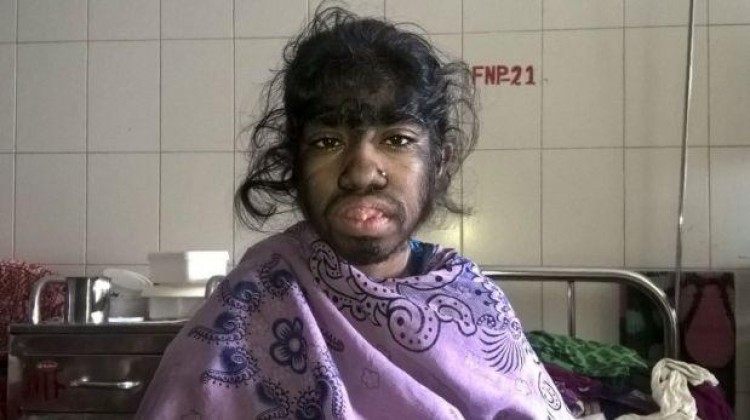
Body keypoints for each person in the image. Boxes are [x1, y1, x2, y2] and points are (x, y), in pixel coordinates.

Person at [137, 6, 572, 420]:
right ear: (294, 163)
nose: (362, 172)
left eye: (397, 140)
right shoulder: (248, 309)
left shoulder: (477, 307)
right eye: (328, 141)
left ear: (440, 162)